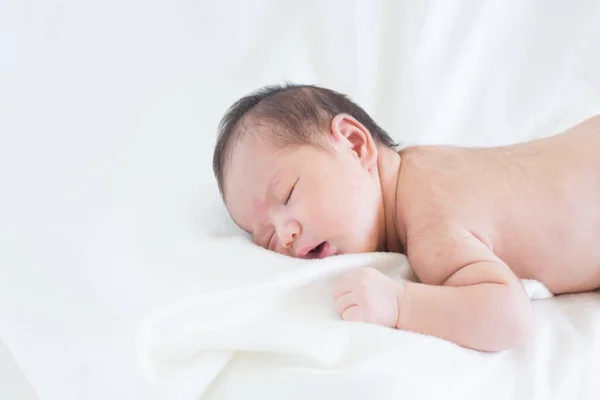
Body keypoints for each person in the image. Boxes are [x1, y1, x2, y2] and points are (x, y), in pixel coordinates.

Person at [212, 82, 600, 352]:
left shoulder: (428, 219)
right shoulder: (427, 166)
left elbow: (510, 318)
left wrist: (399, 304)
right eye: (263, 236)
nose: (284, 233)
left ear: (354, 143)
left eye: (288, 194)